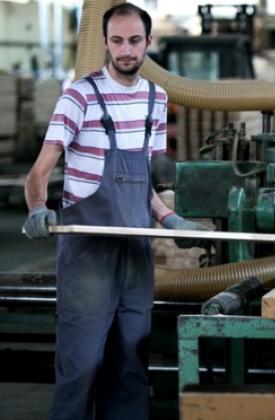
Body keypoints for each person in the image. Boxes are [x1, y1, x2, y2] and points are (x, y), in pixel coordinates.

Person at [22, 3, 209, 419]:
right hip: (89, 256)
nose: (126, 50)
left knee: (130, 366)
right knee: (81, 365)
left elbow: (142, 184)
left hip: (135, 255)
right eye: (118, 41)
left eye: (135, 40)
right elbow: (38, 173)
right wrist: (37, 207)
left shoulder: (156, 98)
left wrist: (170, 219)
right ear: (105, 42)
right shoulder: (79, 97)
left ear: (148, 42)